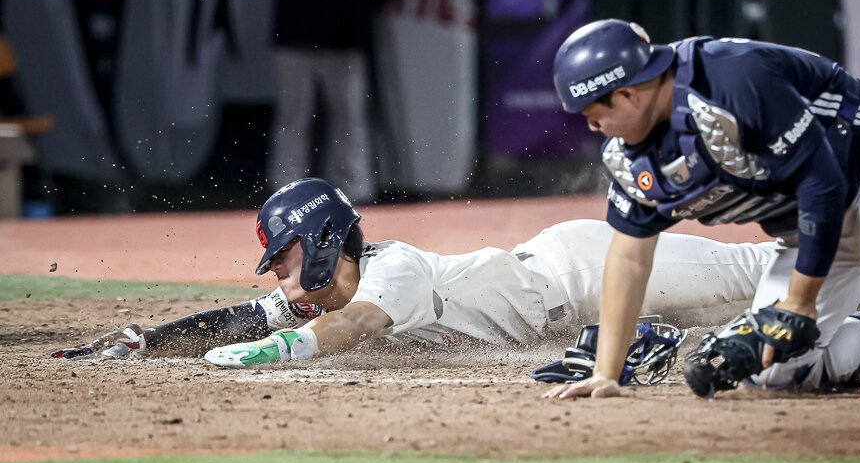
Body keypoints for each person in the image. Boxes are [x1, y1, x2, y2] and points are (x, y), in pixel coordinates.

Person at [546, 19, 860, 407]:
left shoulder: (732, 77)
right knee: (776, 372)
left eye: (594, 113)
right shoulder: (636, 157)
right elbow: (629, 256)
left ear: (629, 94)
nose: (594, 127)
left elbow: (821, 183)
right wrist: (606, 372)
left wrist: (800, 299)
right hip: (816, 230)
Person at [54, 178, 775, 366]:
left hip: (580, 268)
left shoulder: (388, 273)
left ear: (323, 237)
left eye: (283, 256)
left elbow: (354, 328)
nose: (276, 275)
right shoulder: (323, 295)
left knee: (758, 270)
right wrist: (145, 338)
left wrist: (275, 353)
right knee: (728, 320)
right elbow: (245, 317)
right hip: (578, 315)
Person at [262, 0, 392, 203]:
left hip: (345, 34)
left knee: (351, 117)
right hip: (296, 33)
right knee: (293, 116)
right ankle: (285, 193)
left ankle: (356, 191)